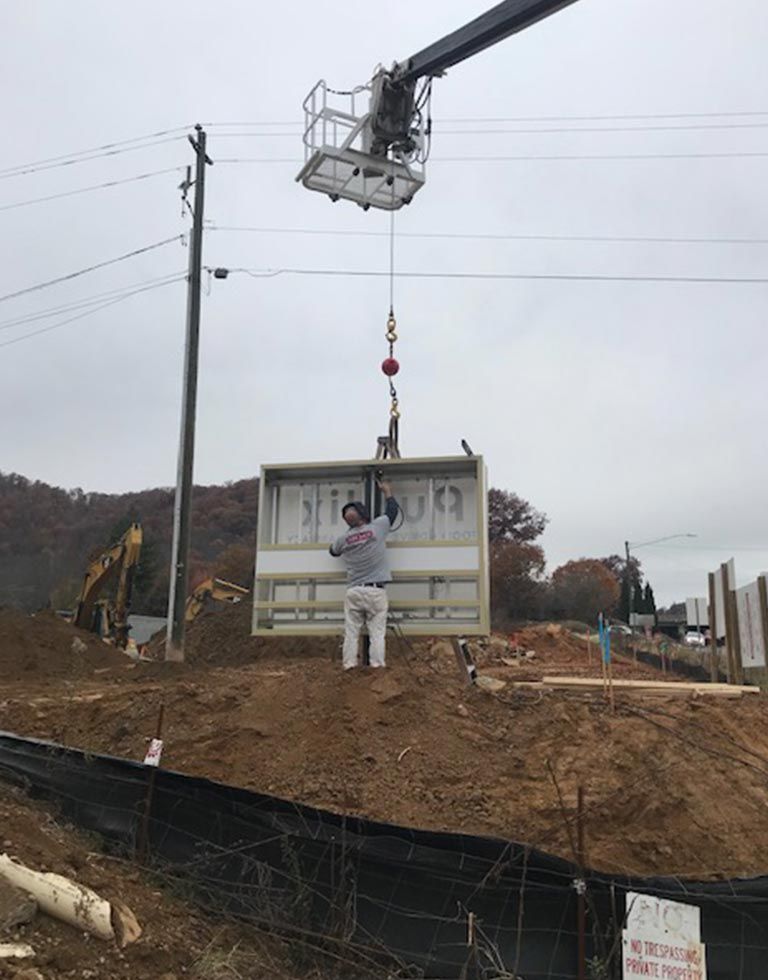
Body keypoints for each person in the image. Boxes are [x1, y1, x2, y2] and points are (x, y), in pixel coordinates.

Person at [329, 479, 398, 670]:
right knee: (377, 633)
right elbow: (392, 511)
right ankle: (377, 667)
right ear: (365, 514)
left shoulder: (343, 539)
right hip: (376, 591)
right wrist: (387, 491)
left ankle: (349, 666)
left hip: (354, 591)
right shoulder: (377, 527)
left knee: (351, 632)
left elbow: (332, 551)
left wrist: (351, 538)